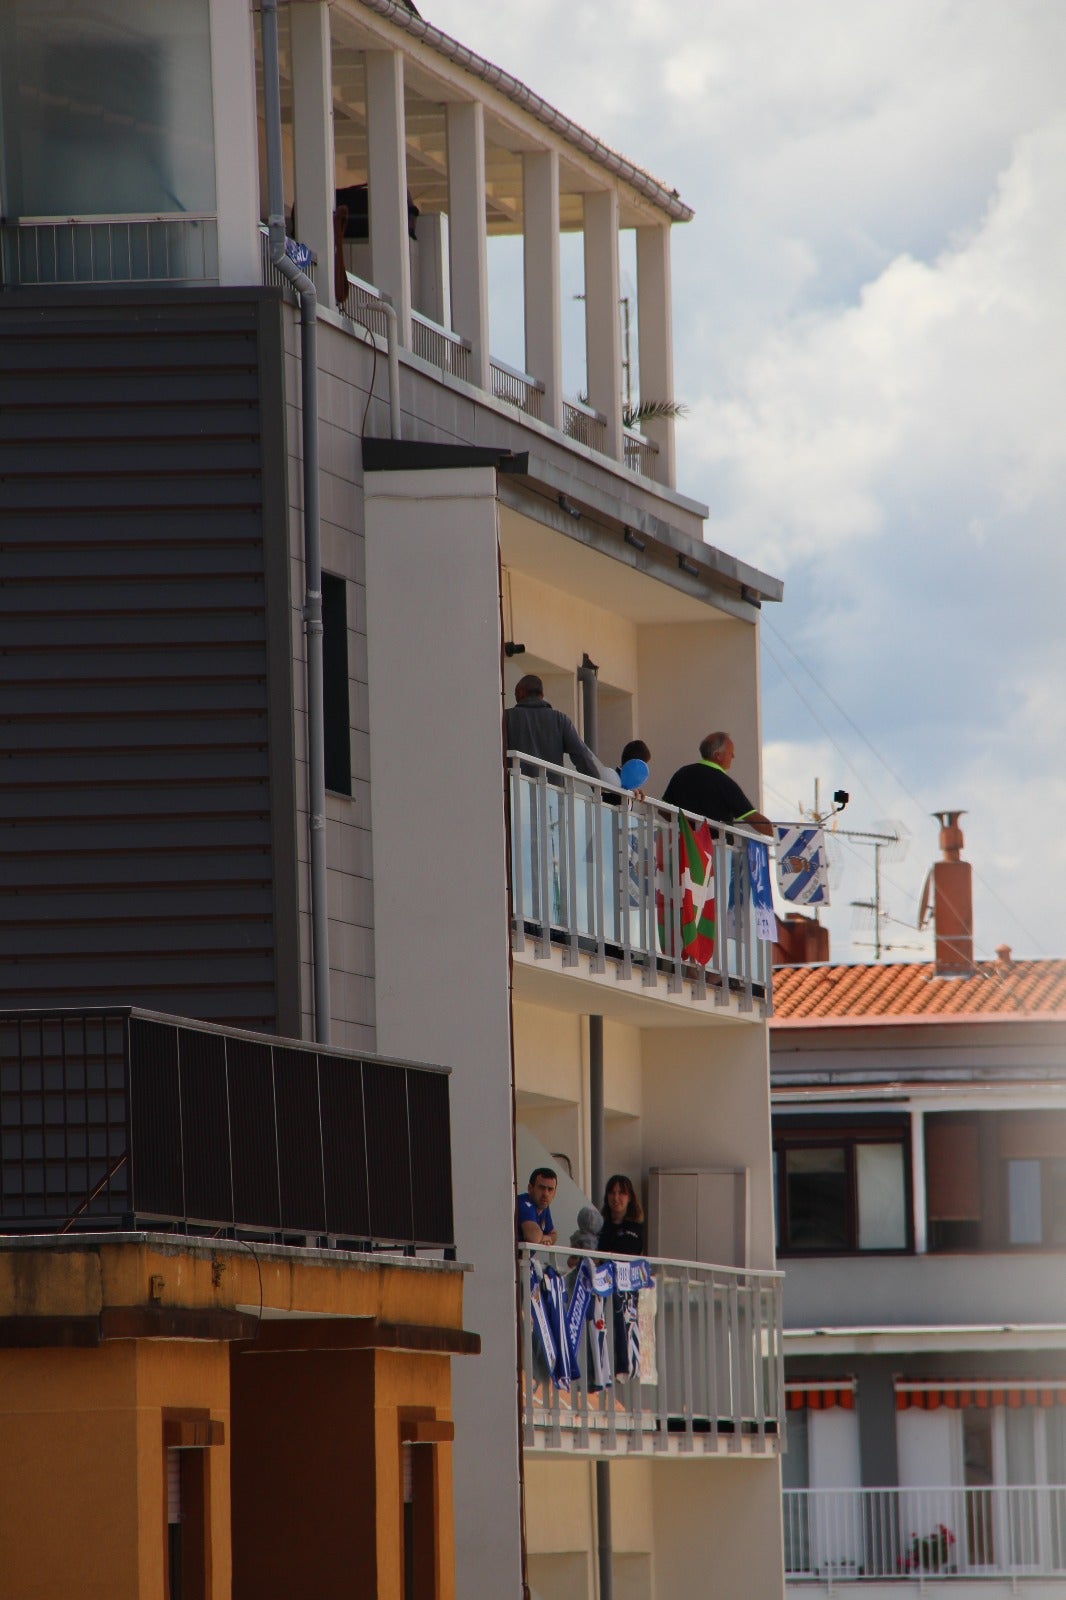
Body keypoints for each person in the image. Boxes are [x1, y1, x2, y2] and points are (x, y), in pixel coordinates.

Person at [662, 731, 772, 836]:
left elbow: (663, 810)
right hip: (715, 850)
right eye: (730, 753)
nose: (733, 756)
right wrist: (783, 836)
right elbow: (754, 819)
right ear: (718, 755)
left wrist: (686, 829)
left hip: (684, 847)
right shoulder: (724, 783)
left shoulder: (682, 773)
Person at [504, 675, 600, 778]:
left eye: (515, 694)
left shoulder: (507, 717)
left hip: (517, 789)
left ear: (521, 692)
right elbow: (582, 756)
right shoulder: (560, 720)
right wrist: (598, 787)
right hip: (552, 792)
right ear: (542, 695)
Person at [598, 1174, 645, 1255]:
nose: (616, 1198)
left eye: (621, 1193)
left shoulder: (635, 1228)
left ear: (629, 1197)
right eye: (612, 1193)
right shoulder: (599, 1226)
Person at [516, 1167, 558, 1245]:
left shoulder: (544, 1206)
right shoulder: (523, 1203)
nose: (546, 1194)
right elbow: (533, 1237)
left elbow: (554, 1234)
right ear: (530, 1188)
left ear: (555, 1193)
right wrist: (545, 1237)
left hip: (524, 1256)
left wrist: (544, 1238)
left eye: (550, 1189)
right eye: (541, 1188)